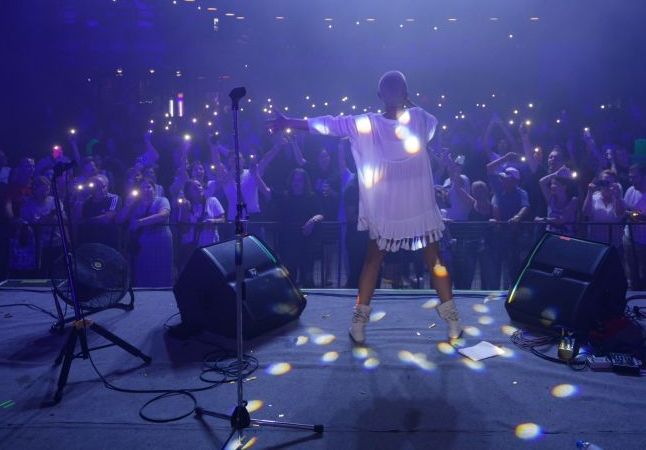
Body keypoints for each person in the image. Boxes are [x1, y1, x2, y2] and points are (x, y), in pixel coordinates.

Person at [269, 70, 461, 344]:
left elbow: (328, 125)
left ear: (379, 95)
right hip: (417, 204)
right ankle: (453, 323)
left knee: (373, 261)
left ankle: (358, 325)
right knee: (435, 261)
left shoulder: (367, 124)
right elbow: (431, 125)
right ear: (406, 94)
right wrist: (408, 100)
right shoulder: (420, 118)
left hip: (385, 207)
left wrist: (290, 122)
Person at [118, 177, 173, 286]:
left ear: (154, 189)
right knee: (143, 271)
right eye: (142, 187)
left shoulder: (162, 200)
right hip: (141, 243)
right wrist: (127, 206)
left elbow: (163, 215)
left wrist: (139, 222)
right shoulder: (134, 204)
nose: (146, 190)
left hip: (160, 240)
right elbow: (119, 220)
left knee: (160, 269)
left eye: (149, 187)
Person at [275, 168, 324, 287]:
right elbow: (267, 192)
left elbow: (321, 214)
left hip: (306, 244)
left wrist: (312, 221)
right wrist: (255, 175)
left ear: (305, 182)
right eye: (295, 180)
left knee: (308, 279)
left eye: (300, 180)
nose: (296, 183)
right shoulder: (285, 196)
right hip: (288, 244)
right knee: (289, 281)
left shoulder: (311, 197)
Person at [174, 179, 225, 267]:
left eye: (199, 185)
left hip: (210, 246)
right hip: (191, 249)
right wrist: (185, 211)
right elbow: (184, 230)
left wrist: (213, 221)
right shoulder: (185, 205)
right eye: (194, 187)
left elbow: (223, 220)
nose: (199, 188)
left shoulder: (212, 201)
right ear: (188, 192)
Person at [582, 170, 625, 245]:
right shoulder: (593, 197)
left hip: (614, 243)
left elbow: (620, 214)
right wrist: (589, 192)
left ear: (615, 184)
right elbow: (586, 213)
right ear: (600, 183)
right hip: (596, 243)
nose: (606, 186)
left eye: (609, 183)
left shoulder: (619, 199)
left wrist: (617, 197)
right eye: (604, 182)